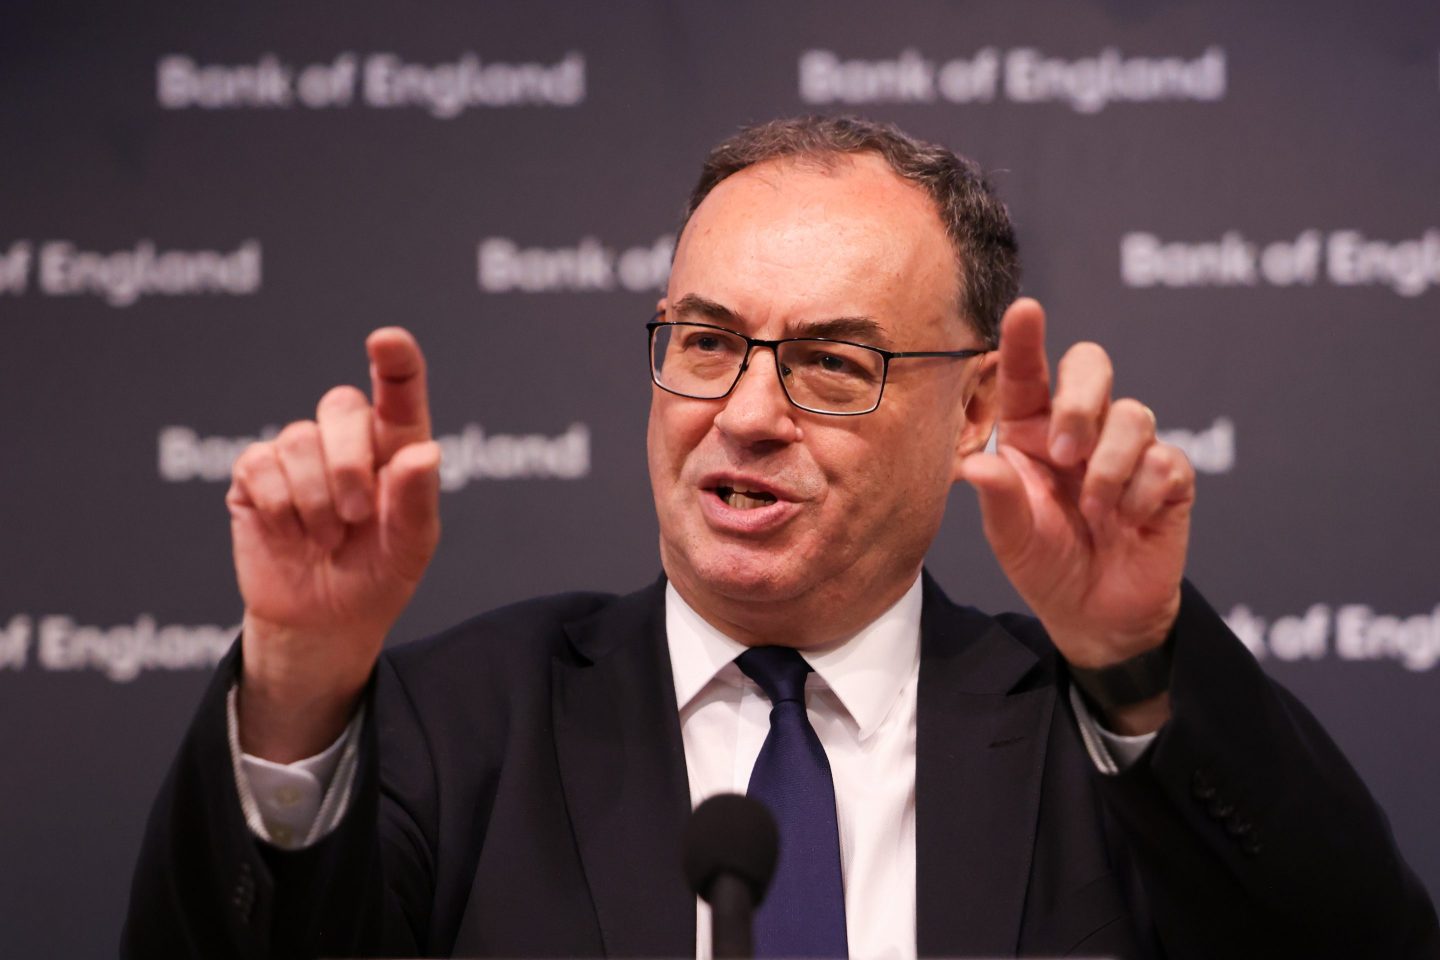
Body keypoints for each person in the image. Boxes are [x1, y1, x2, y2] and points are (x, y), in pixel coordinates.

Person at [124, 116, 1438, 959]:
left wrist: (1137, 659)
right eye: (706, 343)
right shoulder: (449, 727)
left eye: (830, 362)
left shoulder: (1081, 748)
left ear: (974, 406)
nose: (744, 415)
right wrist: (296, 682)